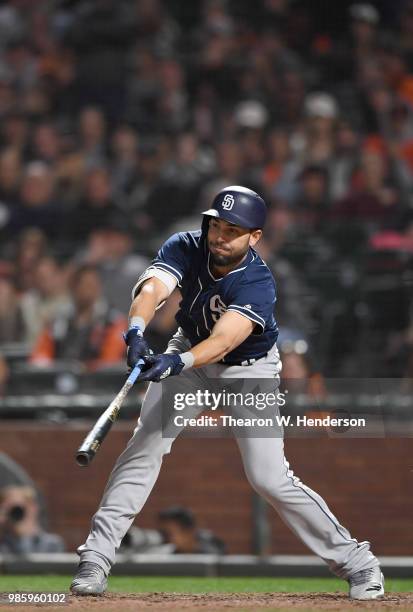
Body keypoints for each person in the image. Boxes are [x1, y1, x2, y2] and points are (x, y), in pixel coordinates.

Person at [70, 186, 384, 600]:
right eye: (216, 224)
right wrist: (135, 332)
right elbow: (152, 290)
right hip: (187, 351)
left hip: (246, 370)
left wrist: (176, 362)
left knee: (269, 477)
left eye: (232, 229)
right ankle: (96, 557)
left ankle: (358, 563)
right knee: (144, 446)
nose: (219, 235)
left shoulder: (258, 282)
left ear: (254, 236)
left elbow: (223, 341)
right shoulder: (187, 245)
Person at [0, 485, 65, 554]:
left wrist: (22, 535)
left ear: (33, 508)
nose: (16, 514)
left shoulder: (52, 544)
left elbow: (26, 561)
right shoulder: (3, 542)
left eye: (18, 509)